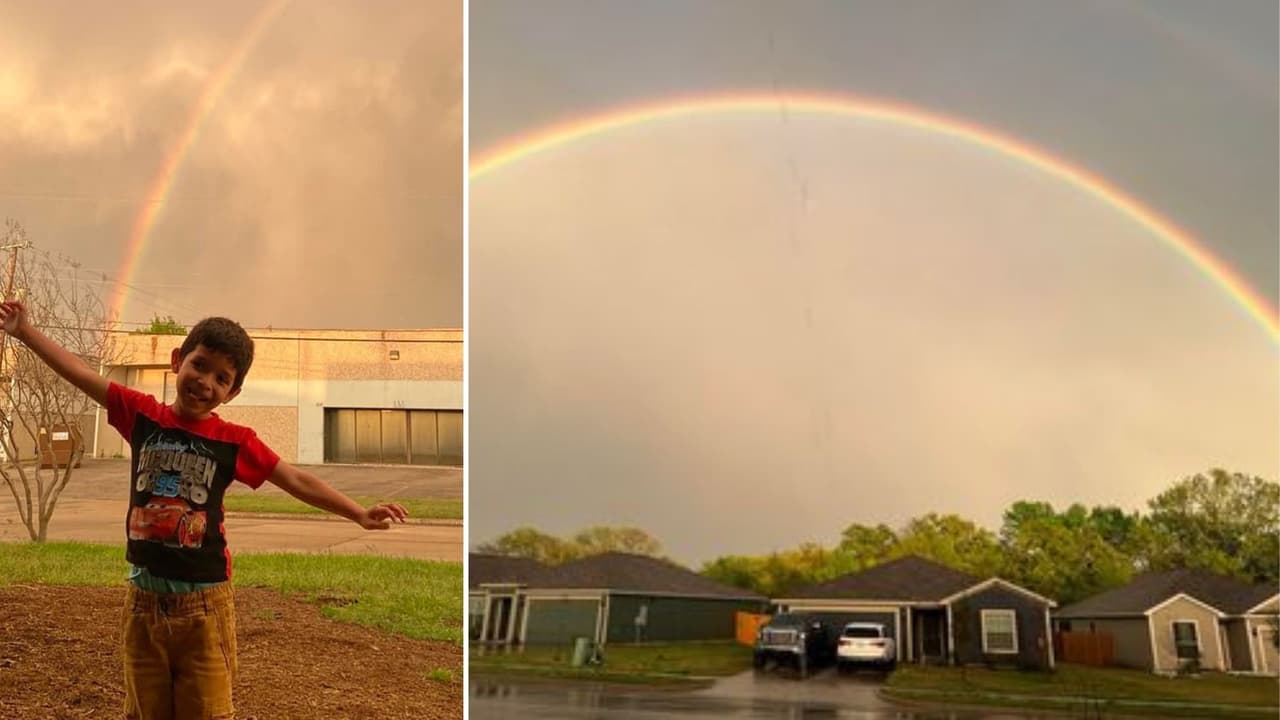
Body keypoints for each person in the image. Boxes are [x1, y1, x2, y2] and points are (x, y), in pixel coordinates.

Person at [0, 301, 408, 720]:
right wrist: (24, 332)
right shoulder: (142, 416)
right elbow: (82, 374)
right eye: (199, 365)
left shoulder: (234, 440)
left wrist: (358, 513)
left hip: (204, 610)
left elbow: (295, 479)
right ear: (178, 361)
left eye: (221, 378)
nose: (205, 382)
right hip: (143, 607)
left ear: (232, 393)